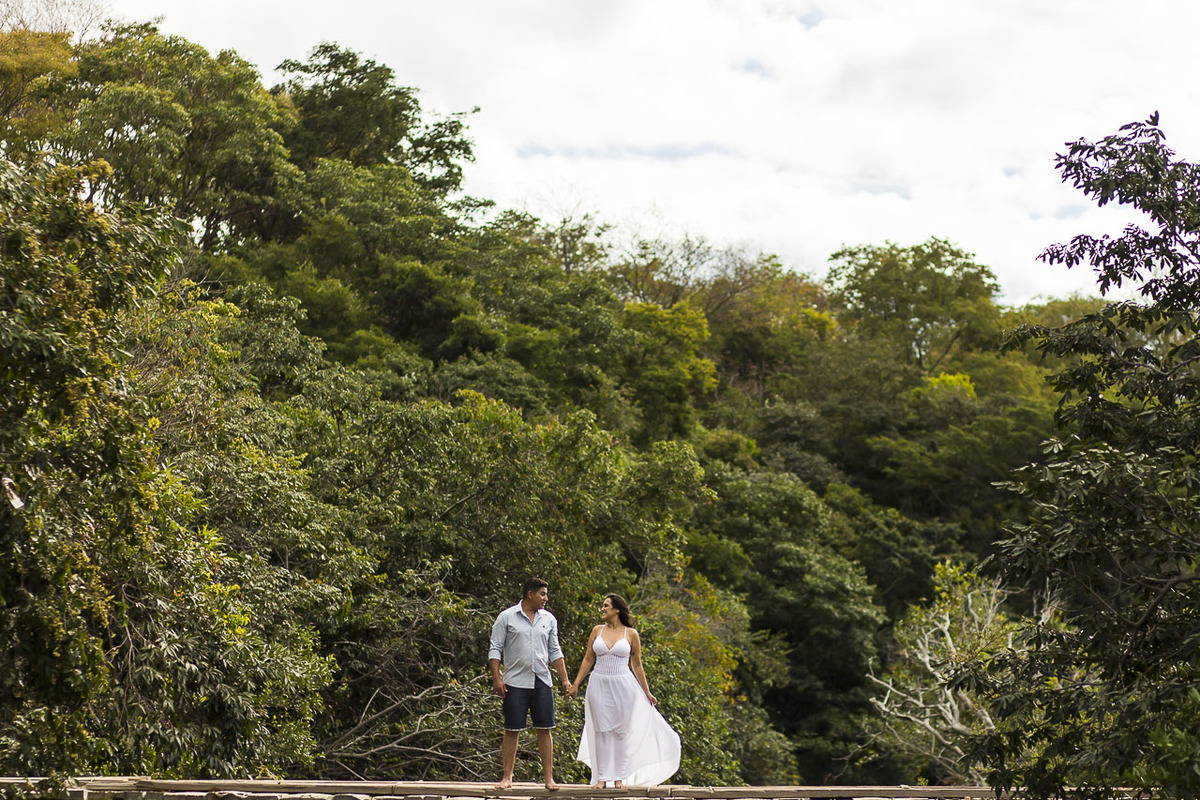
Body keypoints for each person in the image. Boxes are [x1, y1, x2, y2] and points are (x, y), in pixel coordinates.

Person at [568, 594, 680, 788]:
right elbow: (588, 659)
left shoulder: (631, 634)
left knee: (621, 731)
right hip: (599, 683)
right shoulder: (597, 631)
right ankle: (602, 778)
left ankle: (619, 778)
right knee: (601, 730)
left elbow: (637, 665)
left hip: (623, 684)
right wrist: (576, 683)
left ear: (617, 609)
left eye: (606, 606)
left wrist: (647, 692)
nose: (602, 609)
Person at [489, 577, 573, 790]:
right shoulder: (507, 617)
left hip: (542, 680)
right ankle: (507, 777)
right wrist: (496, 678)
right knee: (512, 729)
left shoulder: (549, 619)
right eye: (542, 594)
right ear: (530, 594)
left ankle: (549, 778)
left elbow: (555, 651)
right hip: (515, 681)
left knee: (545, 728)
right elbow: (495, 648)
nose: (546, 598)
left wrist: (564, 680)